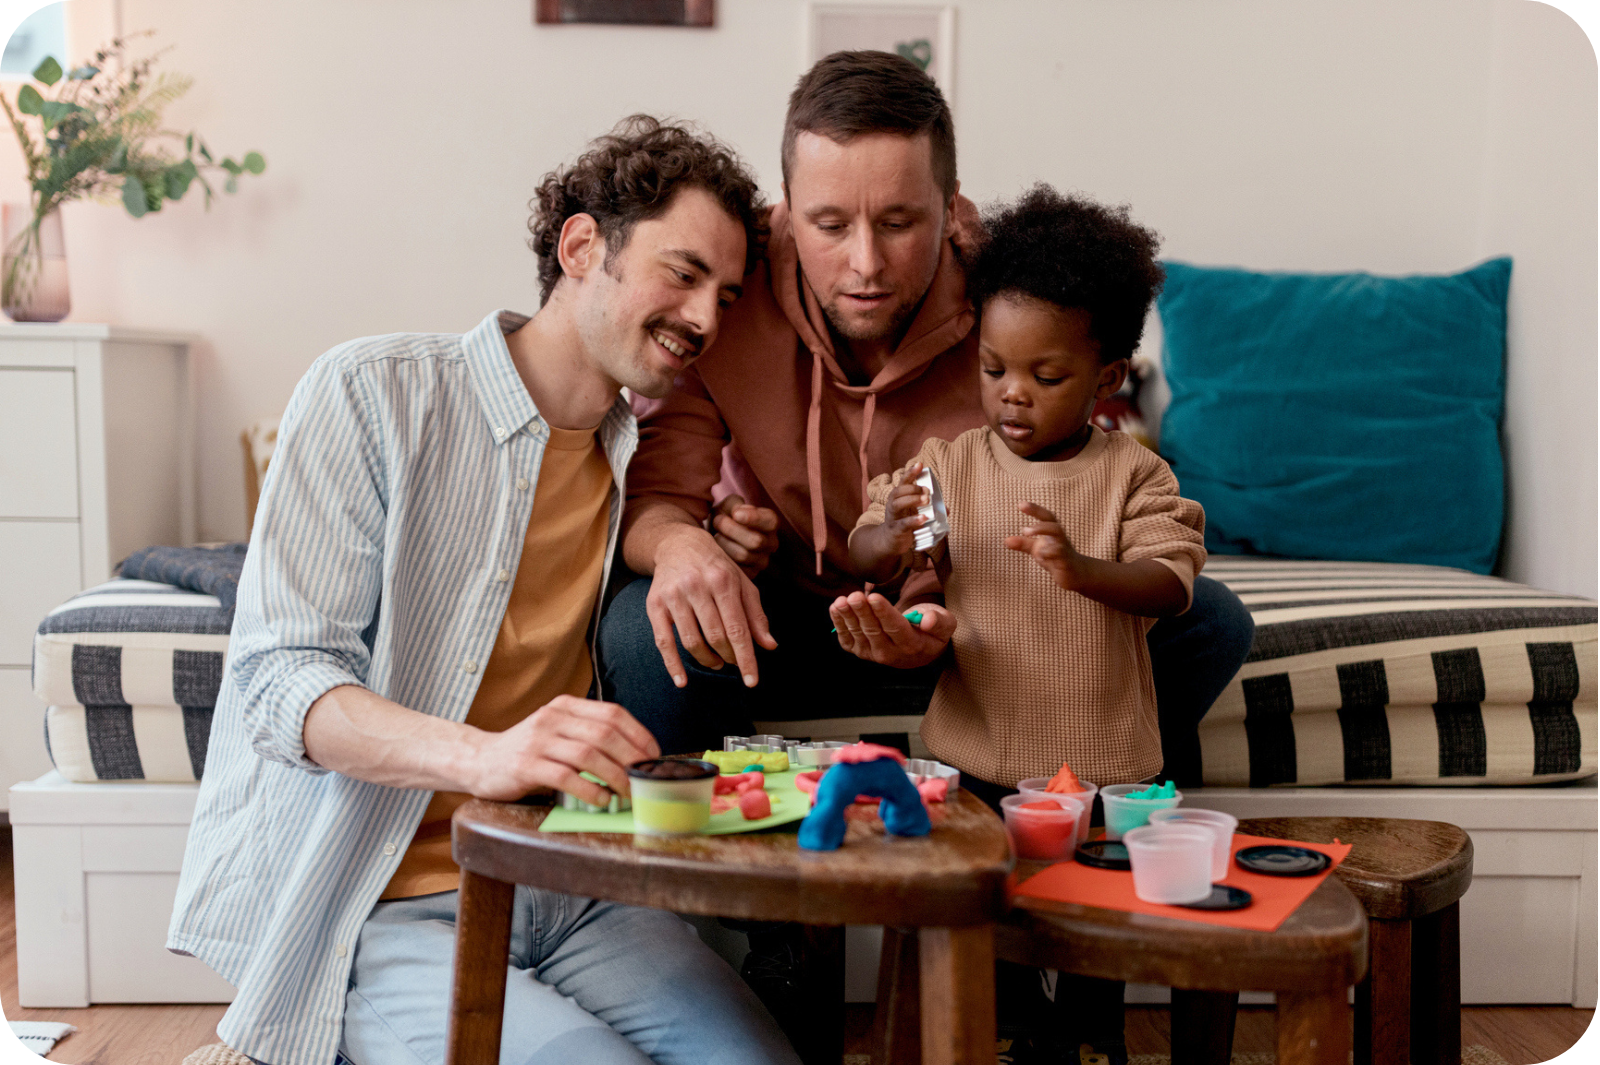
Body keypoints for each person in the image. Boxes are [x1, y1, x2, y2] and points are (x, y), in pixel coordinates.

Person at [167, 116, 801, 1065]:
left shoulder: (636, 461)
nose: (708, 317)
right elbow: (276, 683)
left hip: (574, 881)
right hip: (384, 899)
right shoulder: (371, 392)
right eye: (683, 273)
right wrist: (489, 755)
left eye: (727, 292)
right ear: (581, 245)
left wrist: (704, 545)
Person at [603, 50, 1252, 791]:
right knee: (639, 625)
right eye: (829, 223)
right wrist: (692, 544)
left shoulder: (1010, 302)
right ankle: (733, 886)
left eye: (899, 221)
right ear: (785, 206)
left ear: (949, 206)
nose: (866, 263)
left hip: (968, 625)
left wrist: (931, 617)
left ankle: (1065, 821)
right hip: (781, 610)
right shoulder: (728, 284)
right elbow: (656, 495)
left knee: (1211, 620)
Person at [843, 185, 1201, 1064]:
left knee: (1094, 929)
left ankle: (1087, 1037)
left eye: (1046, 377)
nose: (1012, 394)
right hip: (981, 749)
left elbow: (1171, 583)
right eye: (995, 368)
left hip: (1104, 758)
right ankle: (1008, 1034)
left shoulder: (1134, 475)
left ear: (1107, 379)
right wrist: (887, 537)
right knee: (991, 919)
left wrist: (1079, 567)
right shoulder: (952, 465)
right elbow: (883, 554)